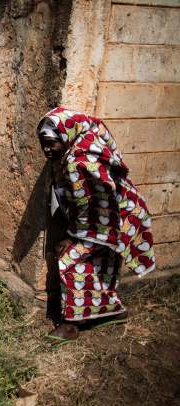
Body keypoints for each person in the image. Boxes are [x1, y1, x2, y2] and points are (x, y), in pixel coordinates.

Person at [37, 107, 155, 341]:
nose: (46, 150)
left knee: (70, 258)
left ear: (66, 136)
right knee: (103, 264)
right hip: (109, 216)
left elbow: (92, 208)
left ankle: (70, 325)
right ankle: (111, 312)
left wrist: (72, 237)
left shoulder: (81, 164)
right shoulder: (76, 146)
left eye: (51, 143)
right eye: (43, 143)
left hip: (116, 219)